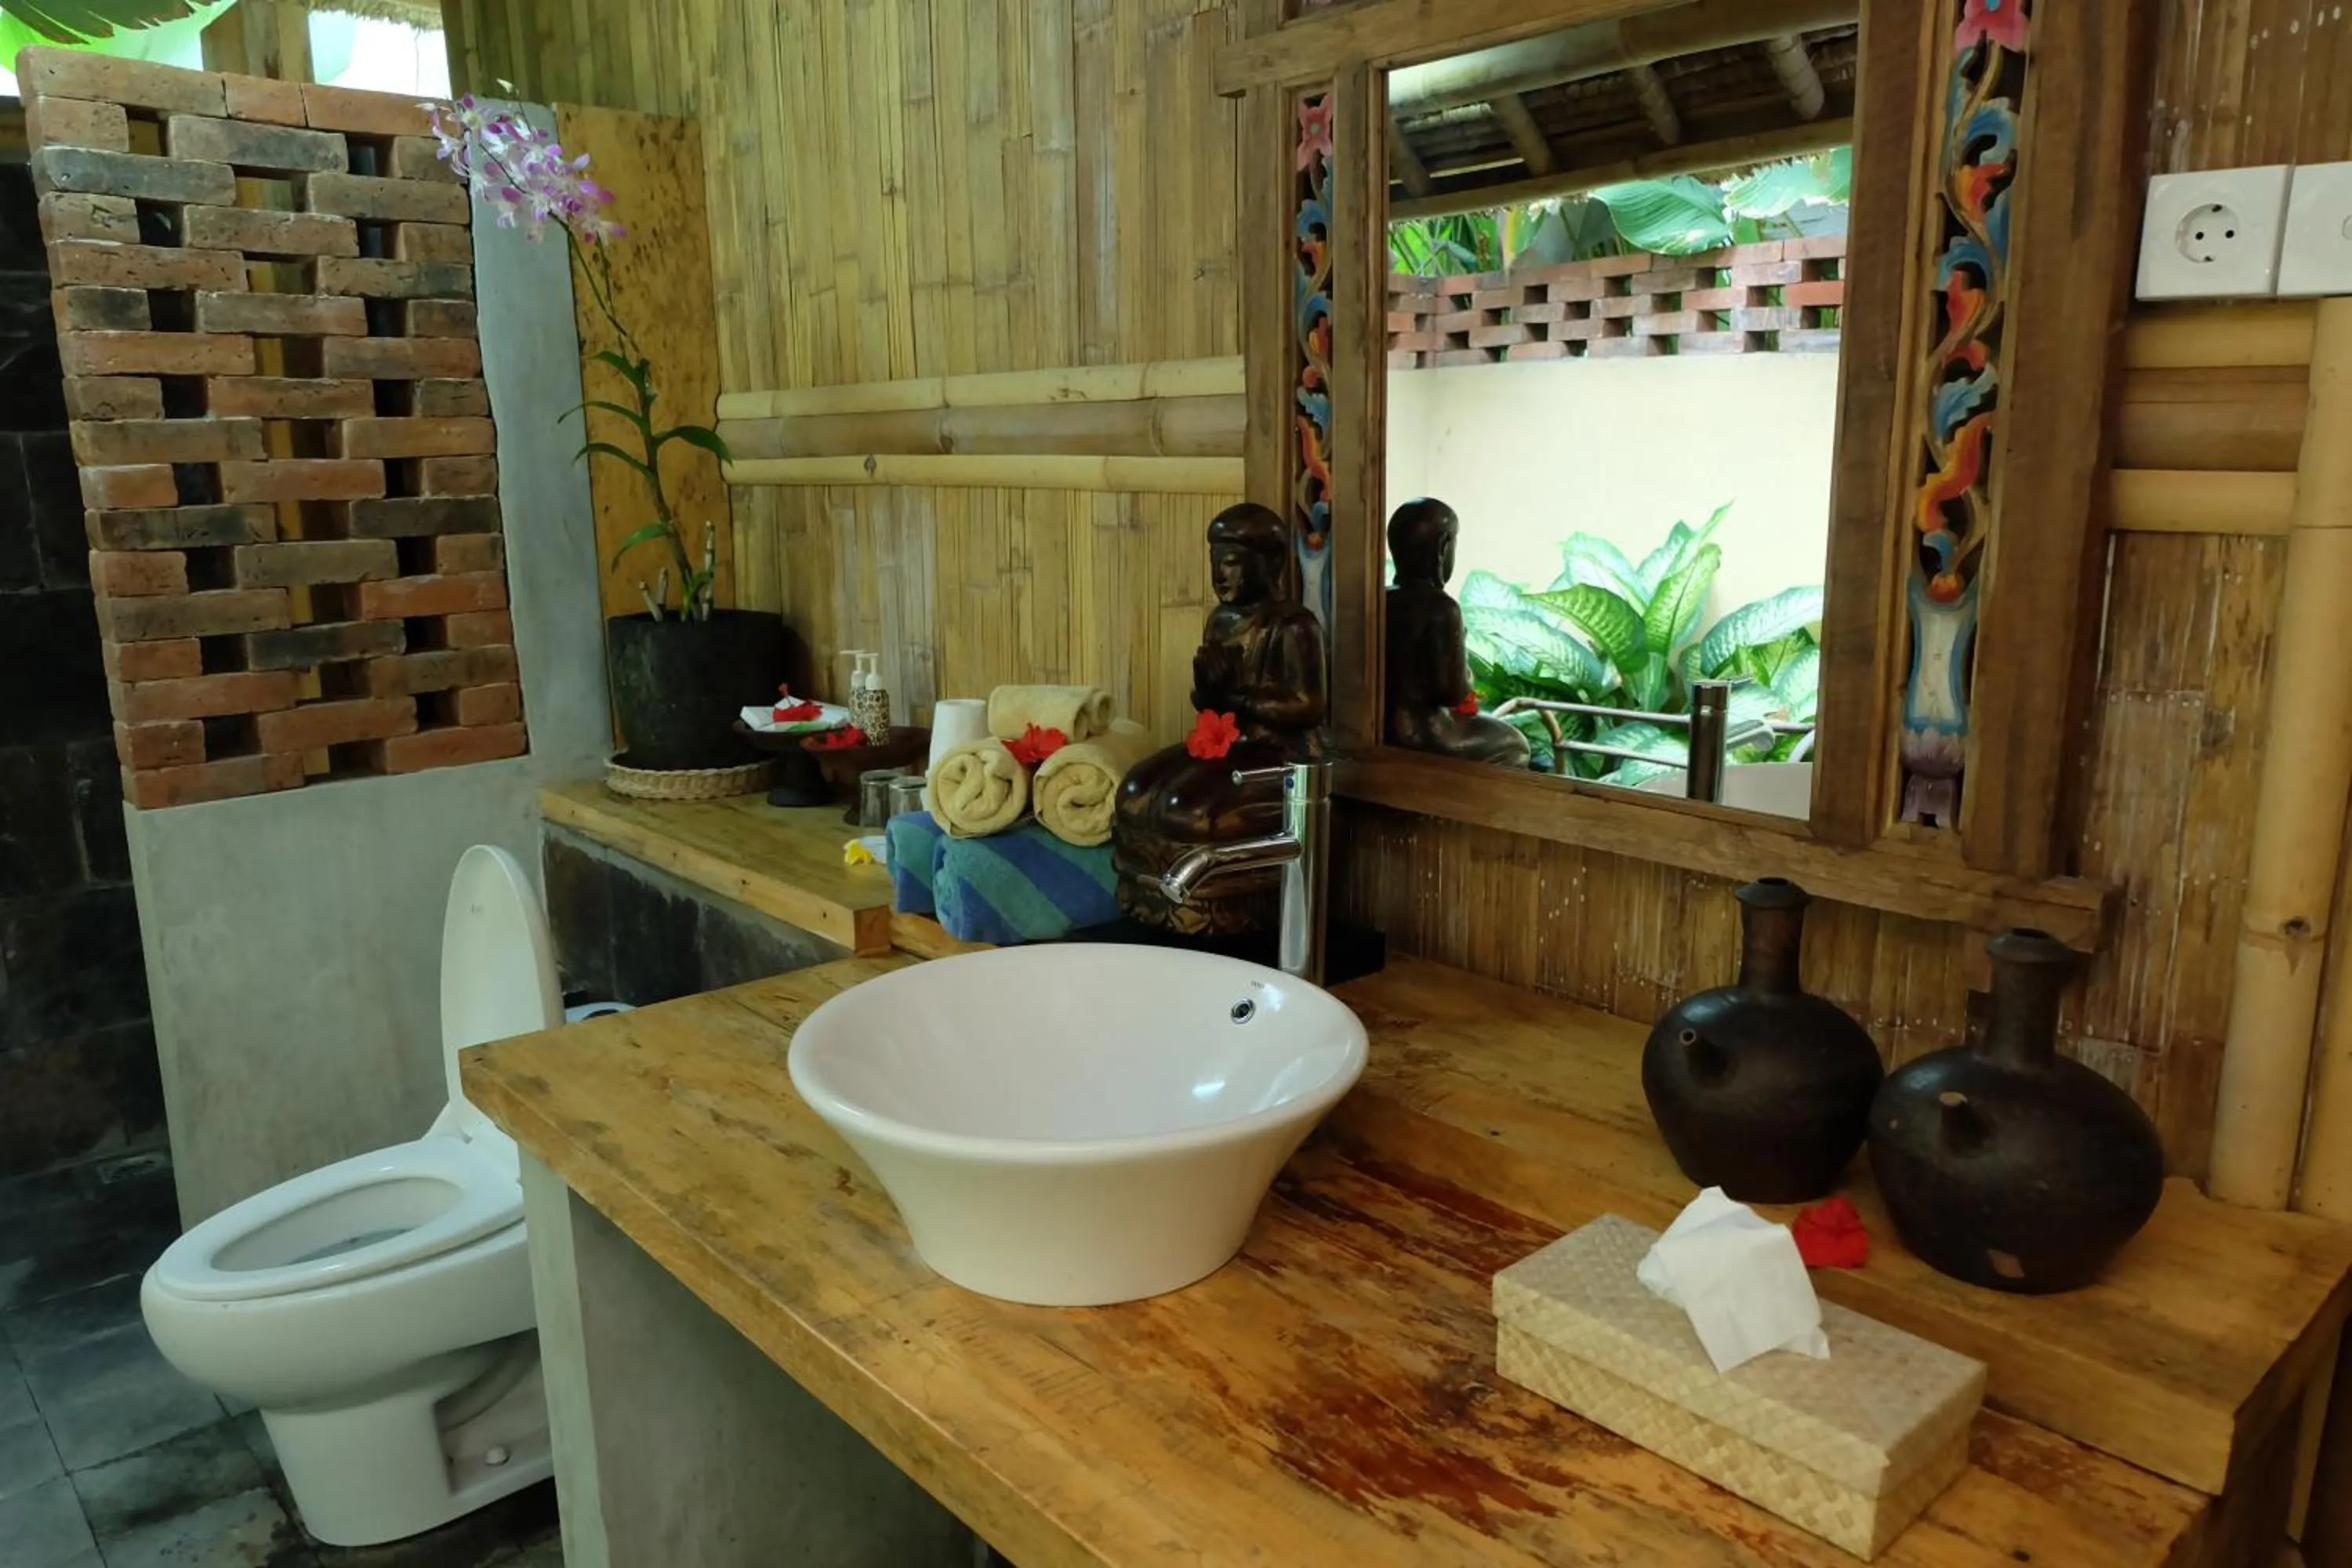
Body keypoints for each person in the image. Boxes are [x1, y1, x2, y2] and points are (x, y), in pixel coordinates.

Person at [1384, 497, 1531, 768]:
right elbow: (1450, 692)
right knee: (1515, 744)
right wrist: (1467, 676)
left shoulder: (1381, 600)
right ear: (1443, 549)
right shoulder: (1442, 608)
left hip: (1386, 729)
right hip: (1427, 733)